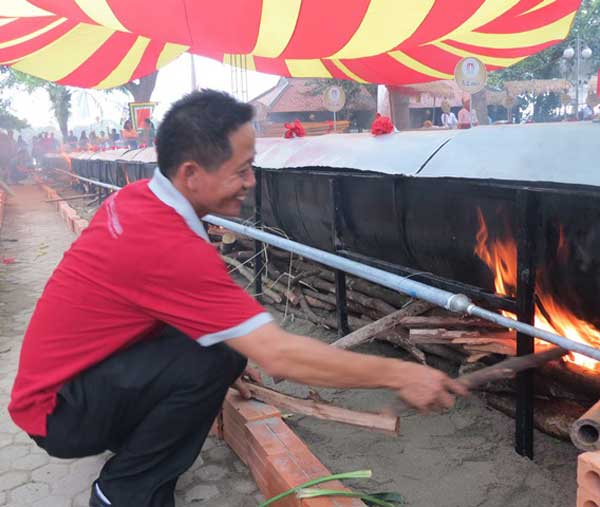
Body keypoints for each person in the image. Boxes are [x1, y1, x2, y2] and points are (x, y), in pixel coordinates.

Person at [9, 90, 467, 507]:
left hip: (62, 390)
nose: (250, 181)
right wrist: (400, 374)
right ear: (191, 174)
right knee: (213, 359)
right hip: (58, 412)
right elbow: (282, 357)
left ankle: (133, 445)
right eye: (241, 170)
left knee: (222, 354)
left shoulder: (137, 199)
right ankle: (123, 492)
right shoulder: (170, 246)